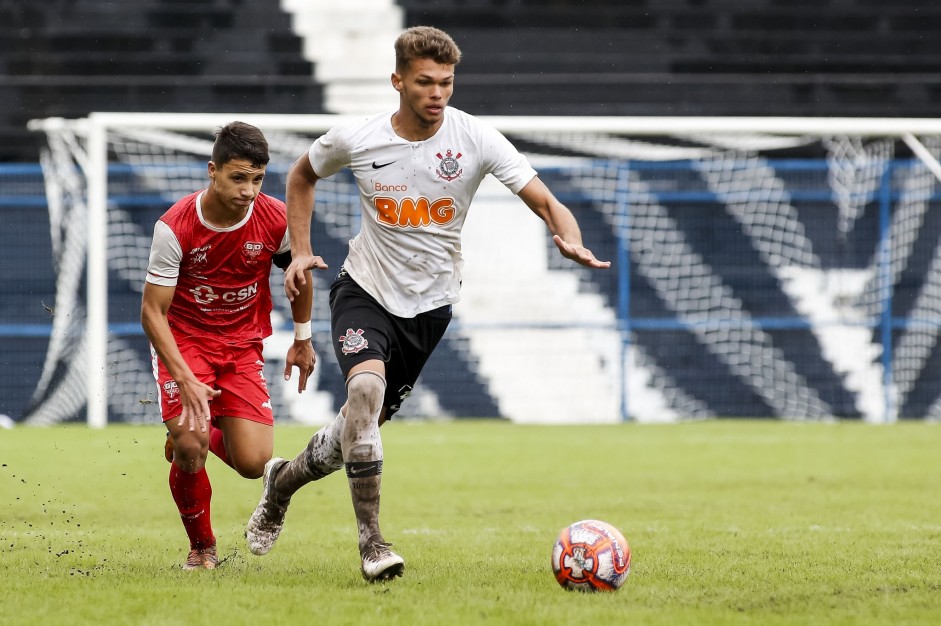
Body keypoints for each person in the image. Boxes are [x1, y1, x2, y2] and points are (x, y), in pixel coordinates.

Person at [245, 26, 610, 581]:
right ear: (398, 81)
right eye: (425, 82)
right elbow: (300, 175)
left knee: (355, 431)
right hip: (363, 288)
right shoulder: (359, 138)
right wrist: (301, 250)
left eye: (446, 82)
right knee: (364, 392)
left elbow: (547, 201)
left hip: (431, 306)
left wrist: (571, 237)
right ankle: (372, 544)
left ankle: (282, 483)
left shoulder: (477, 139)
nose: (438, 93)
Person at [141, 121, 316, 570]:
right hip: (186, 345)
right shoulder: (175, 228)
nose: (248, 190)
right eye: (238, 178)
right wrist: (184, 377)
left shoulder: (274, 217)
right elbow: (152, 313)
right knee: (192, 445)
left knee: (255, 464)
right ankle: (202, 550)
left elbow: (299, 275)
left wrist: (302, 338)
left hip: (241, 347)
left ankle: (185, 437)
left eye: (257, 179)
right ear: (212, 171)